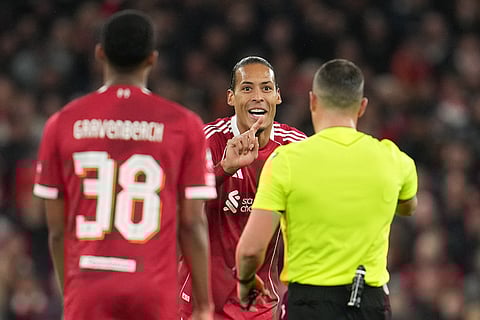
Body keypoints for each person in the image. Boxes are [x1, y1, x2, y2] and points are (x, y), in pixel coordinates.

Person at [32, 10, 216, 320]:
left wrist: (72, 294)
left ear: (99, 53)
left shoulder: (62, 123)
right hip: (152, 289)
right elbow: (192, 225)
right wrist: (203, 305)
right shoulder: (184, 125)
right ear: (152, 59)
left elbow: (56, 232)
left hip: (88, 287)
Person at [235, 58, 418, 320]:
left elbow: (251, 250)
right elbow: (409, 206)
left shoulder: (286, 161)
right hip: (370, 303)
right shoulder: (394, 159)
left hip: (310, 304)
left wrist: (246, 283)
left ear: (313, 101)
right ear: (362, 106)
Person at [178, 56, 307, 320]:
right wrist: (224, 169)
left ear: (278, 97)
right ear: (231, 97)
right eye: (247, 88)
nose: (258, 96)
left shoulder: (296, 149)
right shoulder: (207, 140)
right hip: (201, 304)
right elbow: (177, 203)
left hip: (260, 306)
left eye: (266, 88)